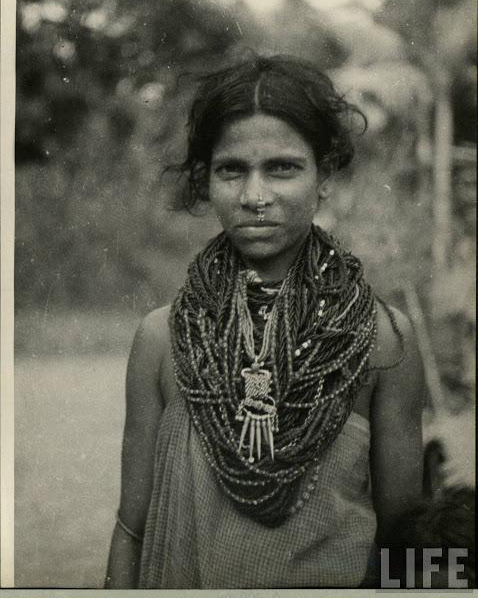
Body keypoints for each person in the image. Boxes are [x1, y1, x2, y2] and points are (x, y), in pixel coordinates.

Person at [105, 55, 424, 589]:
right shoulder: (161, 338)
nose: (255, 197)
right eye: (233, 170)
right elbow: (131, 530)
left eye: (282, 167)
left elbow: (406, 539)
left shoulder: (384, 340)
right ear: (207, 181)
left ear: (324, 177)